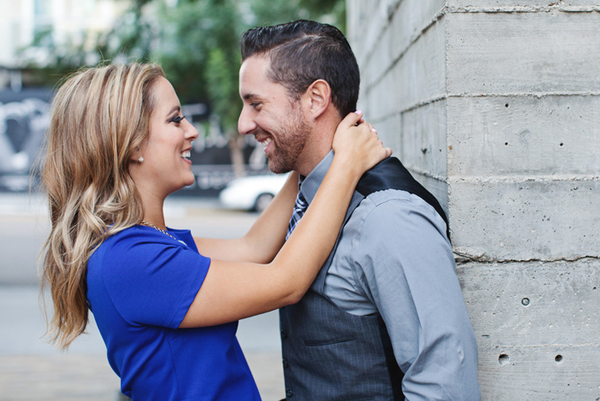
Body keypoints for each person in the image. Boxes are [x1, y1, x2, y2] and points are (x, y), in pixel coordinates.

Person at [40, 63, 391, 401]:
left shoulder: (149, 242)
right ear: (131, 144)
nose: (191, 130)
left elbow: (254, 247)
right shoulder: (130, 261)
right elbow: (287, 281)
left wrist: (311, 154)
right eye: (175, 119)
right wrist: (346, 164)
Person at [238, 20, 481, 400]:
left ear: (316, 99)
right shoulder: (306, 194)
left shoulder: (388, 217)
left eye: (256, 104)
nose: (242, 124)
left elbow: (445, 384)